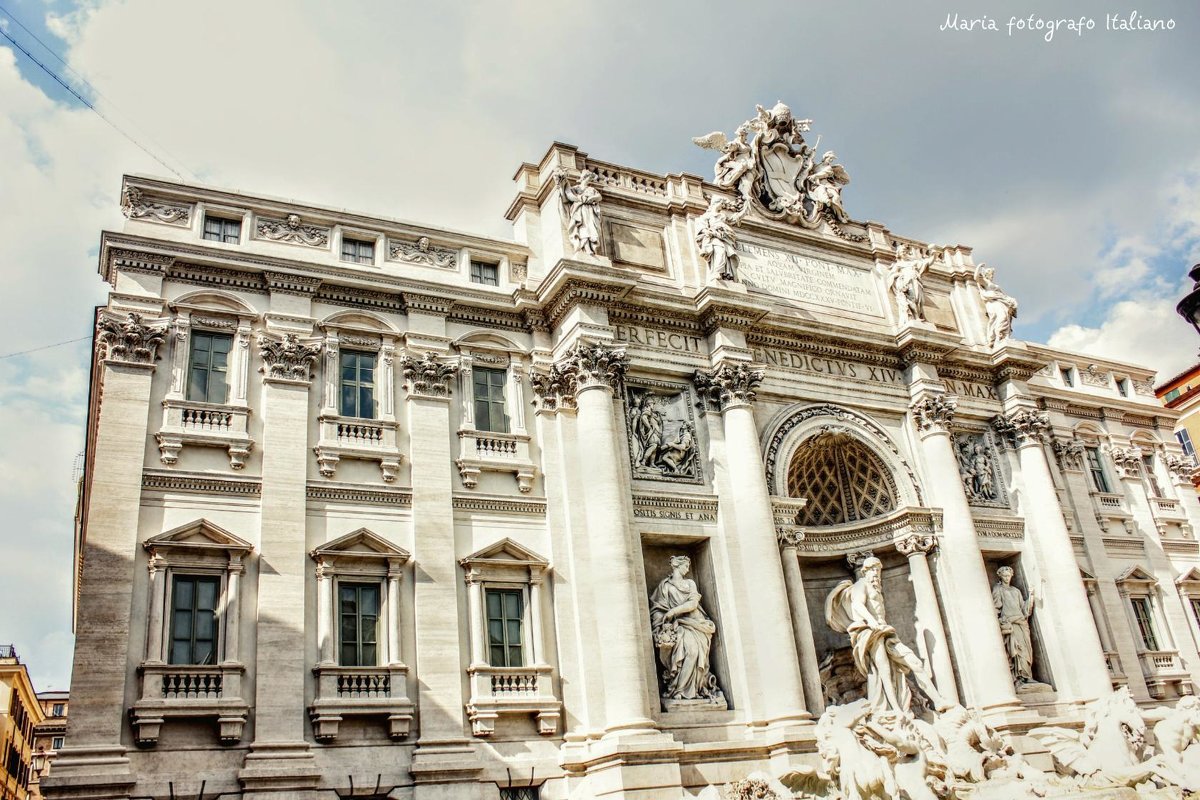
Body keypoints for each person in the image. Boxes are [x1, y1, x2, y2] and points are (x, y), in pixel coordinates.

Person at [827, 557, 950, 717]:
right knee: (883, 670)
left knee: (914, 662)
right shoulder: (861, 585)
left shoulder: (876, 589)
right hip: (871, 633)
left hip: (885, 632)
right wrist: (873, 623)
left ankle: (938, 700)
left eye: (877, 570)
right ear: (864, 571)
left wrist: (879, 625)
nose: (876, 574)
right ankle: (896, 711)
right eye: (872, 570)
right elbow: (858, 605)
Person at [649, 555, 722, 701]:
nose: (688, 569)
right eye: (685, 566)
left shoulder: (690, 583)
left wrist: (673, 611)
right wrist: (663, 621)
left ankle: (692, 690)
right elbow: (658, 609)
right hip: (680, 625)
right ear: (677, 566)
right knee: (691, 652)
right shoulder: (665, 587)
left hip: (697, 624)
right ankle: (680, 689)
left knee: (695, 654)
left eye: (689, 566)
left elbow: (693, 604)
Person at [992, 566, 1036, 686]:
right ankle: (1019, 677)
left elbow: (1024, 609)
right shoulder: (998, 589)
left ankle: (1028, 675)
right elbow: (996, 608)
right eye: (1004, 576)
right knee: (1017, 650)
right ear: (1000, 576)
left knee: (1026, 649)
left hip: (1021, 622)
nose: (1007, 578)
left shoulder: (1016, 591)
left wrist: (1031, 596)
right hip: (1010, 623)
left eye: (1008, 576)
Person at [557, 169, 602, 256]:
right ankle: (586, 248)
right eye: (589, 177)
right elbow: (569, 195)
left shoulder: (592, 189)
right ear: (585, 177)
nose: (590, 179)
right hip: (580, 210)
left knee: (591, 228)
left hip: (590, 211)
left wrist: (592, 198)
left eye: (591, 178)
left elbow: (599, 197)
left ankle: (591, 246)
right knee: (583, 227)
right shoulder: (576, 188)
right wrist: (563, 181)